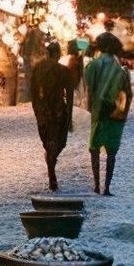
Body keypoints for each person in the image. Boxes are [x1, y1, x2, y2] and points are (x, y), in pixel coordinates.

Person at [82, 33, 133, 195]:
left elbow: (88, 86)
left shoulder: (93, 66)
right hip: (116, 114)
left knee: (95, 149)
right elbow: (128, 93)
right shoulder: (121, 70)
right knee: (111, 153)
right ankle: (107, 187)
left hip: (98, 112)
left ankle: (96, 185)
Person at [29, 46, 77, 191]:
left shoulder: (38, 69)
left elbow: (33, 92)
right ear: (57, 54)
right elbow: (69, 96)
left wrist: (37, 109)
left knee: (48, 142)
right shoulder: (63, 71)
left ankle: (51, 169)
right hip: (57, 112)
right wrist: (69, 116)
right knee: (59, 143)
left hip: (43, 111)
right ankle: (52, 172)